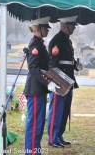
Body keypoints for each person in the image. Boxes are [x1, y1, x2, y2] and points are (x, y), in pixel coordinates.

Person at [23, 17, 60, 154]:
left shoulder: (39, 44)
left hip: (39, 89)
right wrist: (48, 82)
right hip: (35, 89)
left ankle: (34, 150)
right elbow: (33, 68)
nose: (47, 30)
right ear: (38, 29)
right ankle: (32, 152)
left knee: (38, 124)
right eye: (45, 28)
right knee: (35, 124)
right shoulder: (35, 45)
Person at [48, 15, 83, 148]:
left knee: (64, 110)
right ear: (64, 26)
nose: (74, 28)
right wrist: (59, 83)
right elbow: (53, 65)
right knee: (57, 110)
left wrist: (76, 65)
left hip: (68, 81)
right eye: (72, 25)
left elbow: (68, 61)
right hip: (60, 82)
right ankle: (53, 137)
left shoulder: (67, 41)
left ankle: (59, 135)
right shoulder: (56, 41)